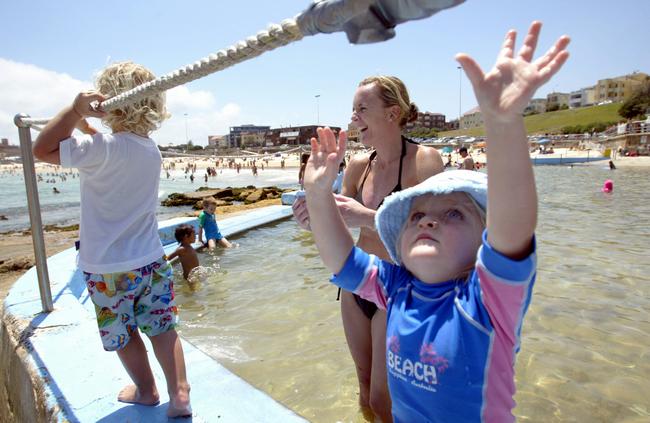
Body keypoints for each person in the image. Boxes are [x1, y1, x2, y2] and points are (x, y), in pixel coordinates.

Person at [301, 21, 568, 421]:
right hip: (373, 289)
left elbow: (512, 222)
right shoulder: (395, 288)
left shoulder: (487, 301)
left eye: (453, 214)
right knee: (370, 397)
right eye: (415, 215)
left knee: (381, 399)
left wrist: (504, 122)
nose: (428, 220)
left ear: (485, 240)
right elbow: (340, 256)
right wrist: (317, 197)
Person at [32, 61, 192, 417]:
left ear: (109, 103)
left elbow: (42, 149)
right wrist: (86, 125)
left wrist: (73, 112)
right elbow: (110, 149)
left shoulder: (99, 148)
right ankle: (180, 393)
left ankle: (147, 390)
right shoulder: (150, 149)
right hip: (150, 260)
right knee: (163, 327)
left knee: (124, 333)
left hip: (105, 268)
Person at [293, 75, 444, 421]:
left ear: (392, 114)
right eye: (353, 109)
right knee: (363, 387)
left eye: (362, 109)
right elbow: (342, 225)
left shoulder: (425, 162)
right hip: (357, 285)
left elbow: (436, 232)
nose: (353, 118)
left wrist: (366, 216)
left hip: (400, 288)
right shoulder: (360, 167)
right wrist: (315, 216)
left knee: (382, 399)